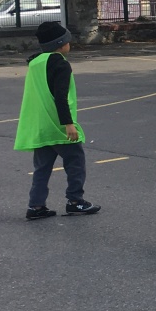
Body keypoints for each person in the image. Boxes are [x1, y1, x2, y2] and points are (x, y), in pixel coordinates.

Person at [14, 20, 100, 220]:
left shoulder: (35, 63)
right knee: (75, 162)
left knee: (42, 168)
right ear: (61, 44)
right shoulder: (60, 64)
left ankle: (35, 206)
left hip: (41, 125)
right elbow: (60, 96)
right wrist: (68, 124)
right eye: (68, 41)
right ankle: (75, 201)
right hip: (59, 125)